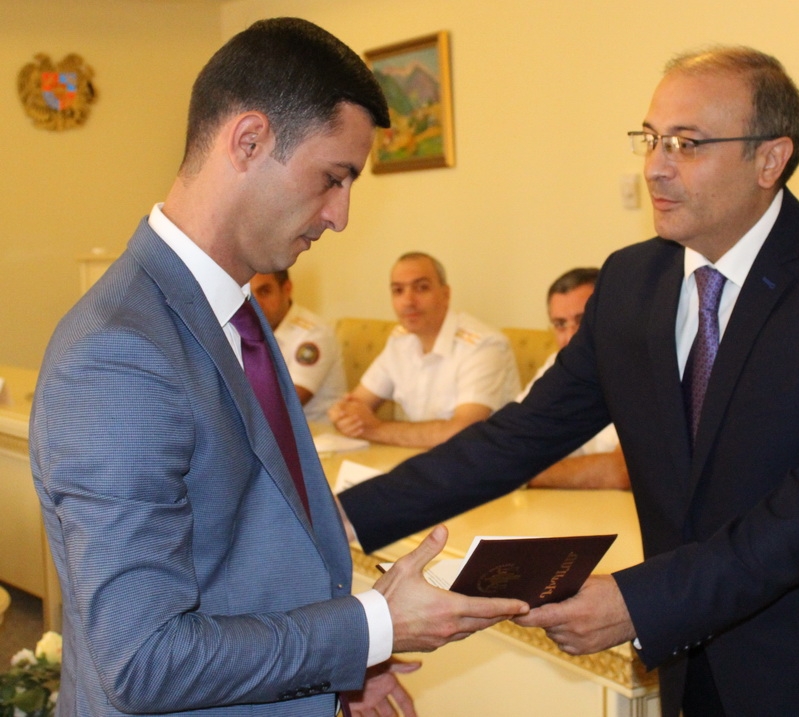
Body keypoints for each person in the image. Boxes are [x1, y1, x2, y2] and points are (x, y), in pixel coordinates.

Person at [337, 45, 799, 716]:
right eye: (650, 139)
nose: (654, 167)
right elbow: (521, 434)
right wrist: (344, 517)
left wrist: (640, 602)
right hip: (698, 666)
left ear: (770, 159)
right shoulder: (631, 282)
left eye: (686, 144)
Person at [29, 18, 527, 717]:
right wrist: (372, 629)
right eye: (332, 178)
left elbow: (243, 553)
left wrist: (340, 671)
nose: (341, 215)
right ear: (249, 141)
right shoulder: (120, 353)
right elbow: (143, 660)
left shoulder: (234, 308)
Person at [329, 252, 520, 448]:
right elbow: (358, 402)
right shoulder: (400, 341)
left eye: (421, 288)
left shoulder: (484, 345)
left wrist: (376, 429)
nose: (408, 301)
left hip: (480, 461)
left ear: (446, 294)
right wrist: (344, 414)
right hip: (419, 458)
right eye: (398, 290)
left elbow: (463, 432)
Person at [519, 267, 628, 489]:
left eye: (582, 320)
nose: (570, 337)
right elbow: (515, 439)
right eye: (560, 325)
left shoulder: (642, 368)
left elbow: (621, 471)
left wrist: (517, 474)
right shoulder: (559, 364)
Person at [250, 270, 347, 423]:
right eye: (249, 295)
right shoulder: (249, 331)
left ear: (287, 289)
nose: (255, 304)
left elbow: (288, 402)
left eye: (264, 292)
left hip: (316, 431)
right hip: (272, 430)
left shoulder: (314, 334)